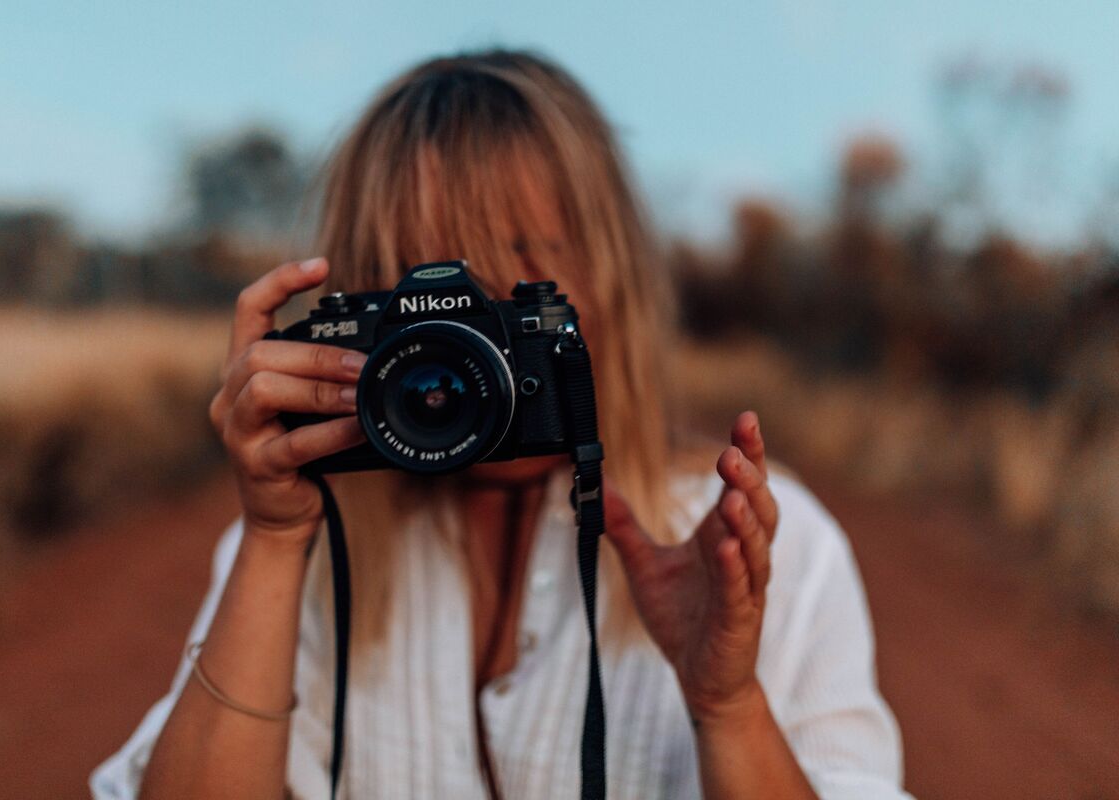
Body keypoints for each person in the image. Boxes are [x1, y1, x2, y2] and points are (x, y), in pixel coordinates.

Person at [91, 49, 911, 799]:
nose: (467, 336)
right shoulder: (297, 546)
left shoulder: (769, 548)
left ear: (613, 278)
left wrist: (728, 707)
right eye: (418, 289)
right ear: (358, 316)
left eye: (520, 271)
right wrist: (273, 541)